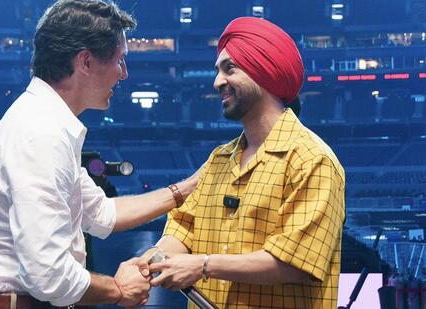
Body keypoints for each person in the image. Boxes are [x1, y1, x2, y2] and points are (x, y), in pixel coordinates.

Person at [0, 0, 199, 308]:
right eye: (119, 60)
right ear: (85, 62)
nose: (124, 74)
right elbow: (48, 275)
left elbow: (101, 213)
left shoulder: (44, 121)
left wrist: (190, 187)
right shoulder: (41, 132)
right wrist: (118, 289)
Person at [137, 17, 345, 308]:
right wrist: (155, 258)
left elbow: (295, 262)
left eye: (229, 69)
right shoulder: (218, 159)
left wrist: (203, 265)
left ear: (265, 72)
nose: (217, 81)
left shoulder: (312, 160)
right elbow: (183, 228)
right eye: (217, 71)